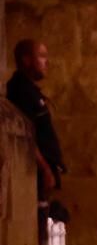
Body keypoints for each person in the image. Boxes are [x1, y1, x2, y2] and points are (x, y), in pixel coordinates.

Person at [6, 39, 65, 197]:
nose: (47, 62)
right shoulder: (21, 91)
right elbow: (26, 136)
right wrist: (45, 169)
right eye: (42, 56)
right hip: (33, 174)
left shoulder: (30, 90)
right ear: (26, 60)